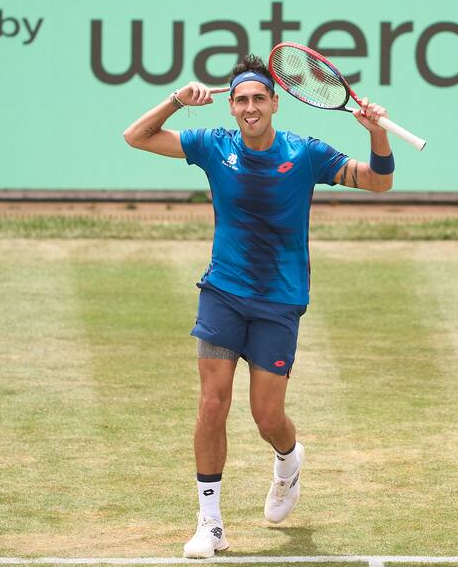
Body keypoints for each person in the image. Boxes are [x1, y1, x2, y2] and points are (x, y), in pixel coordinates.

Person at [123, 54, 395, 559]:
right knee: (212, 403)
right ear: (231, 107)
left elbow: (379, 181)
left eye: (258, 98)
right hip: (223, 291)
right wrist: (177, 101)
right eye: (241, 99)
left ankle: (289, 462)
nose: (250, 107)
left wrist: (376, 134)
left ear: (275, 102)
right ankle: (210, 525)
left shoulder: (306, 153)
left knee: (267, 417)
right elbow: (135, 136)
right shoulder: (212, 145)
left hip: (279, 301)